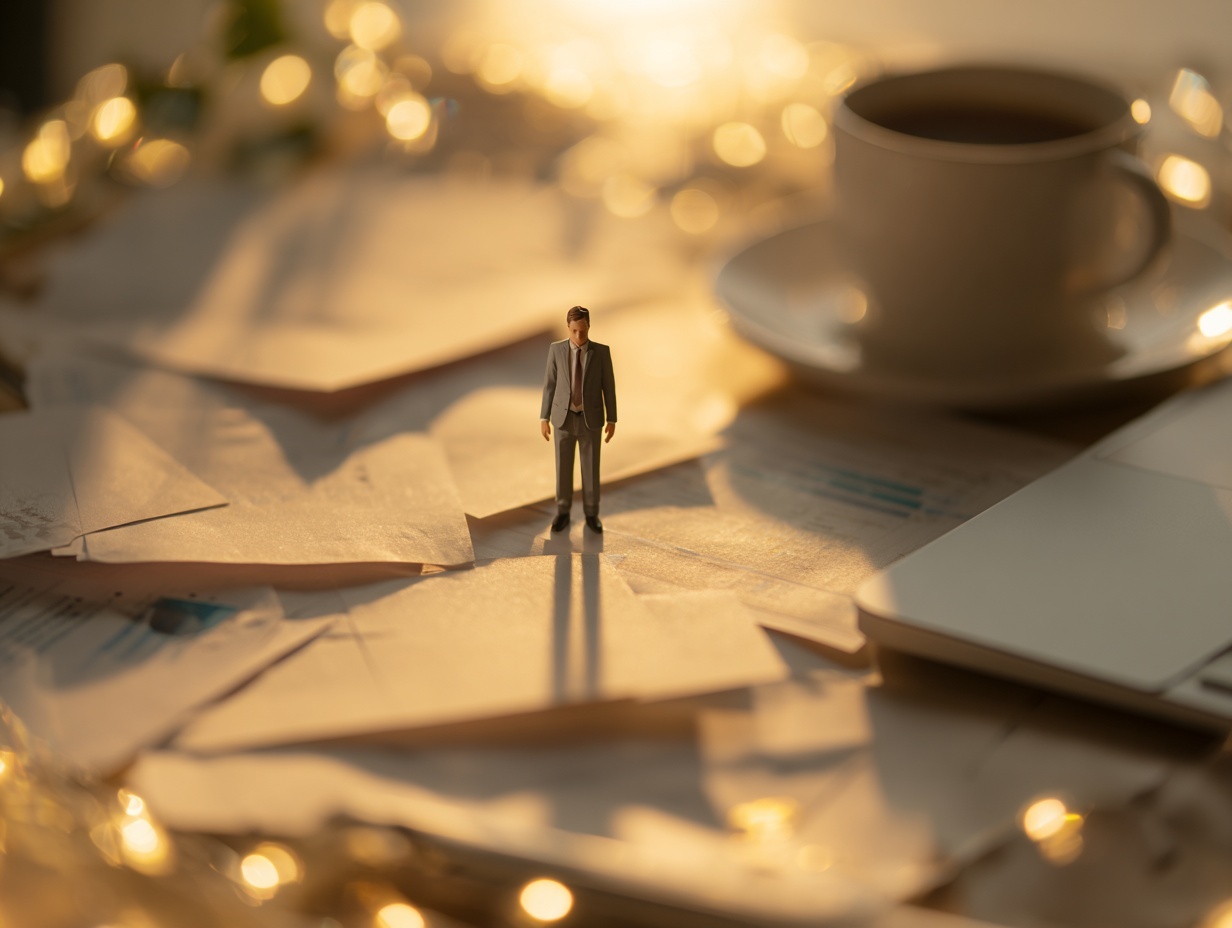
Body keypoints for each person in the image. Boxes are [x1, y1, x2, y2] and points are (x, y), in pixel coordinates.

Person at [539, 306, 616, 533]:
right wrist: (544, 417)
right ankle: (563, 511)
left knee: (591, 468)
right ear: (568, 328)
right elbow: (549, 384)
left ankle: (591, 513)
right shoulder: (556, 350)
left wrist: (612, 419)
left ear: (589, 326)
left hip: (590, 419)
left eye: (582, 331)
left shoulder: (601, 352)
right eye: (574, 331)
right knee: (563, 468)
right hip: (563, 418)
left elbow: (609, 387)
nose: (579, 336)